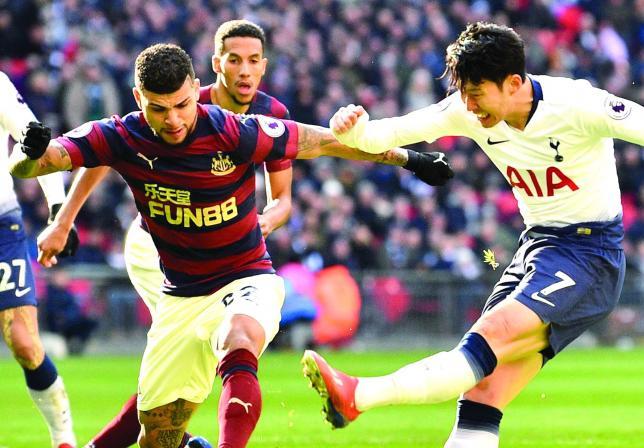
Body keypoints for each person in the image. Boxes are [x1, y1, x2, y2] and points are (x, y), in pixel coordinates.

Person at [301, 22, 644, 447]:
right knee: (482, 396)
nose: (469, 107)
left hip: (590, 254)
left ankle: (358, 395)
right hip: (538, 248)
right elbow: (388, 134)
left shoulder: (579, 104)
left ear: (514, 81)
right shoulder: (466, 109)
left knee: (486, 339)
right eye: (464, 93)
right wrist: (355, 127)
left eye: (477, 94)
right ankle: (361, 399)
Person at [10, 43, 452, 448]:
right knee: (157, 438)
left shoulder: (232, 130)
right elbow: (37, 163)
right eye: (159, 110)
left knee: (238, 339)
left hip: (246, 277)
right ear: (137, 98)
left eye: (183, 105)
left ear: (194, 90)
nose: (175, 120)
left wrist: (409, 158)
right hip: (181, 295)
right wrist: (29, 153)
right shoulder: (120, 136)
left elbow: (325, 142)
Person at [0, 70, 78, 448]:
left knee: (24, 342)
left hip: (1, 226)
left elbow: (34, 139)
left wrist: (59, 208)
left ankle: (63, 437)